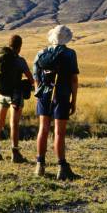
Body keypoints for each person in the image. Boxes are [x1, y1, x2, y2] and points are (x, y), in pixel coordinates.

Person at [33, 25, 80, 181]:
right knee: (59, 132)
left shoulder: (41, 53)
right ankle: (61, 167)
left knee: (43, 129)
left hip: (44, 95)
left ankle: (40, 165)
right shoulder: (70, 54)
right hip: (61, 95)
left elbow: (36, 78)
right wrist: (74, 100)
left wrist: (39, 95)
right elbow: (74, 79)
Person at [0, 34, 34, 163]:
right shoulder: (19, 60)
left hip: (2, 93)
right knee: (14, 124)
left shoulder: (0, 57)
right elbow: (31, 79)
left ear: (9, 44)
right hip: (15, 95)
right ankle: (15, 154)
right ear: (20, 46)